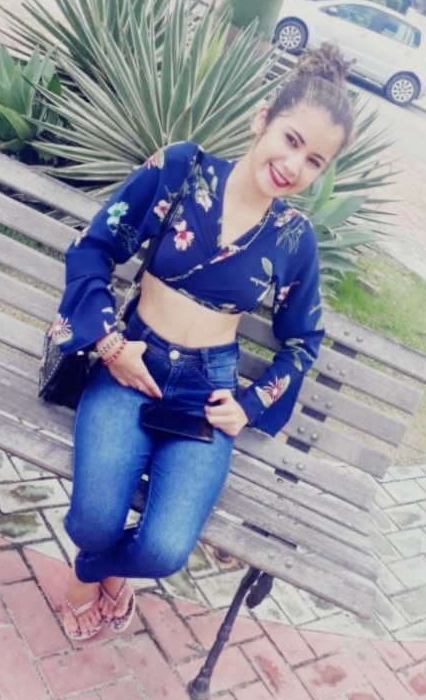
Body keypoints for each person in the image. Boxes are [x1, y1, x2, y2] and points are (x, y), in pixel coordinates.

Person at [46, 44, 356, 640]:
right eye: (291, 140)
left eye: (314, 160)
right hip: (130, 363)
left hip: (207, 390)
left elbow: (303, 340)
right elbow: (94, 248)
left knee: (165, 550)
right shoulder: (181, 170)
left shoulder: (294, 238)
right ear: (263, 119)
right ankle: (98, 562)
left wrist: (252, 404)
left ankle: (90, 571)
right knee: (92, 519)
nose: (294, 165)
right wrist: (110, 344)